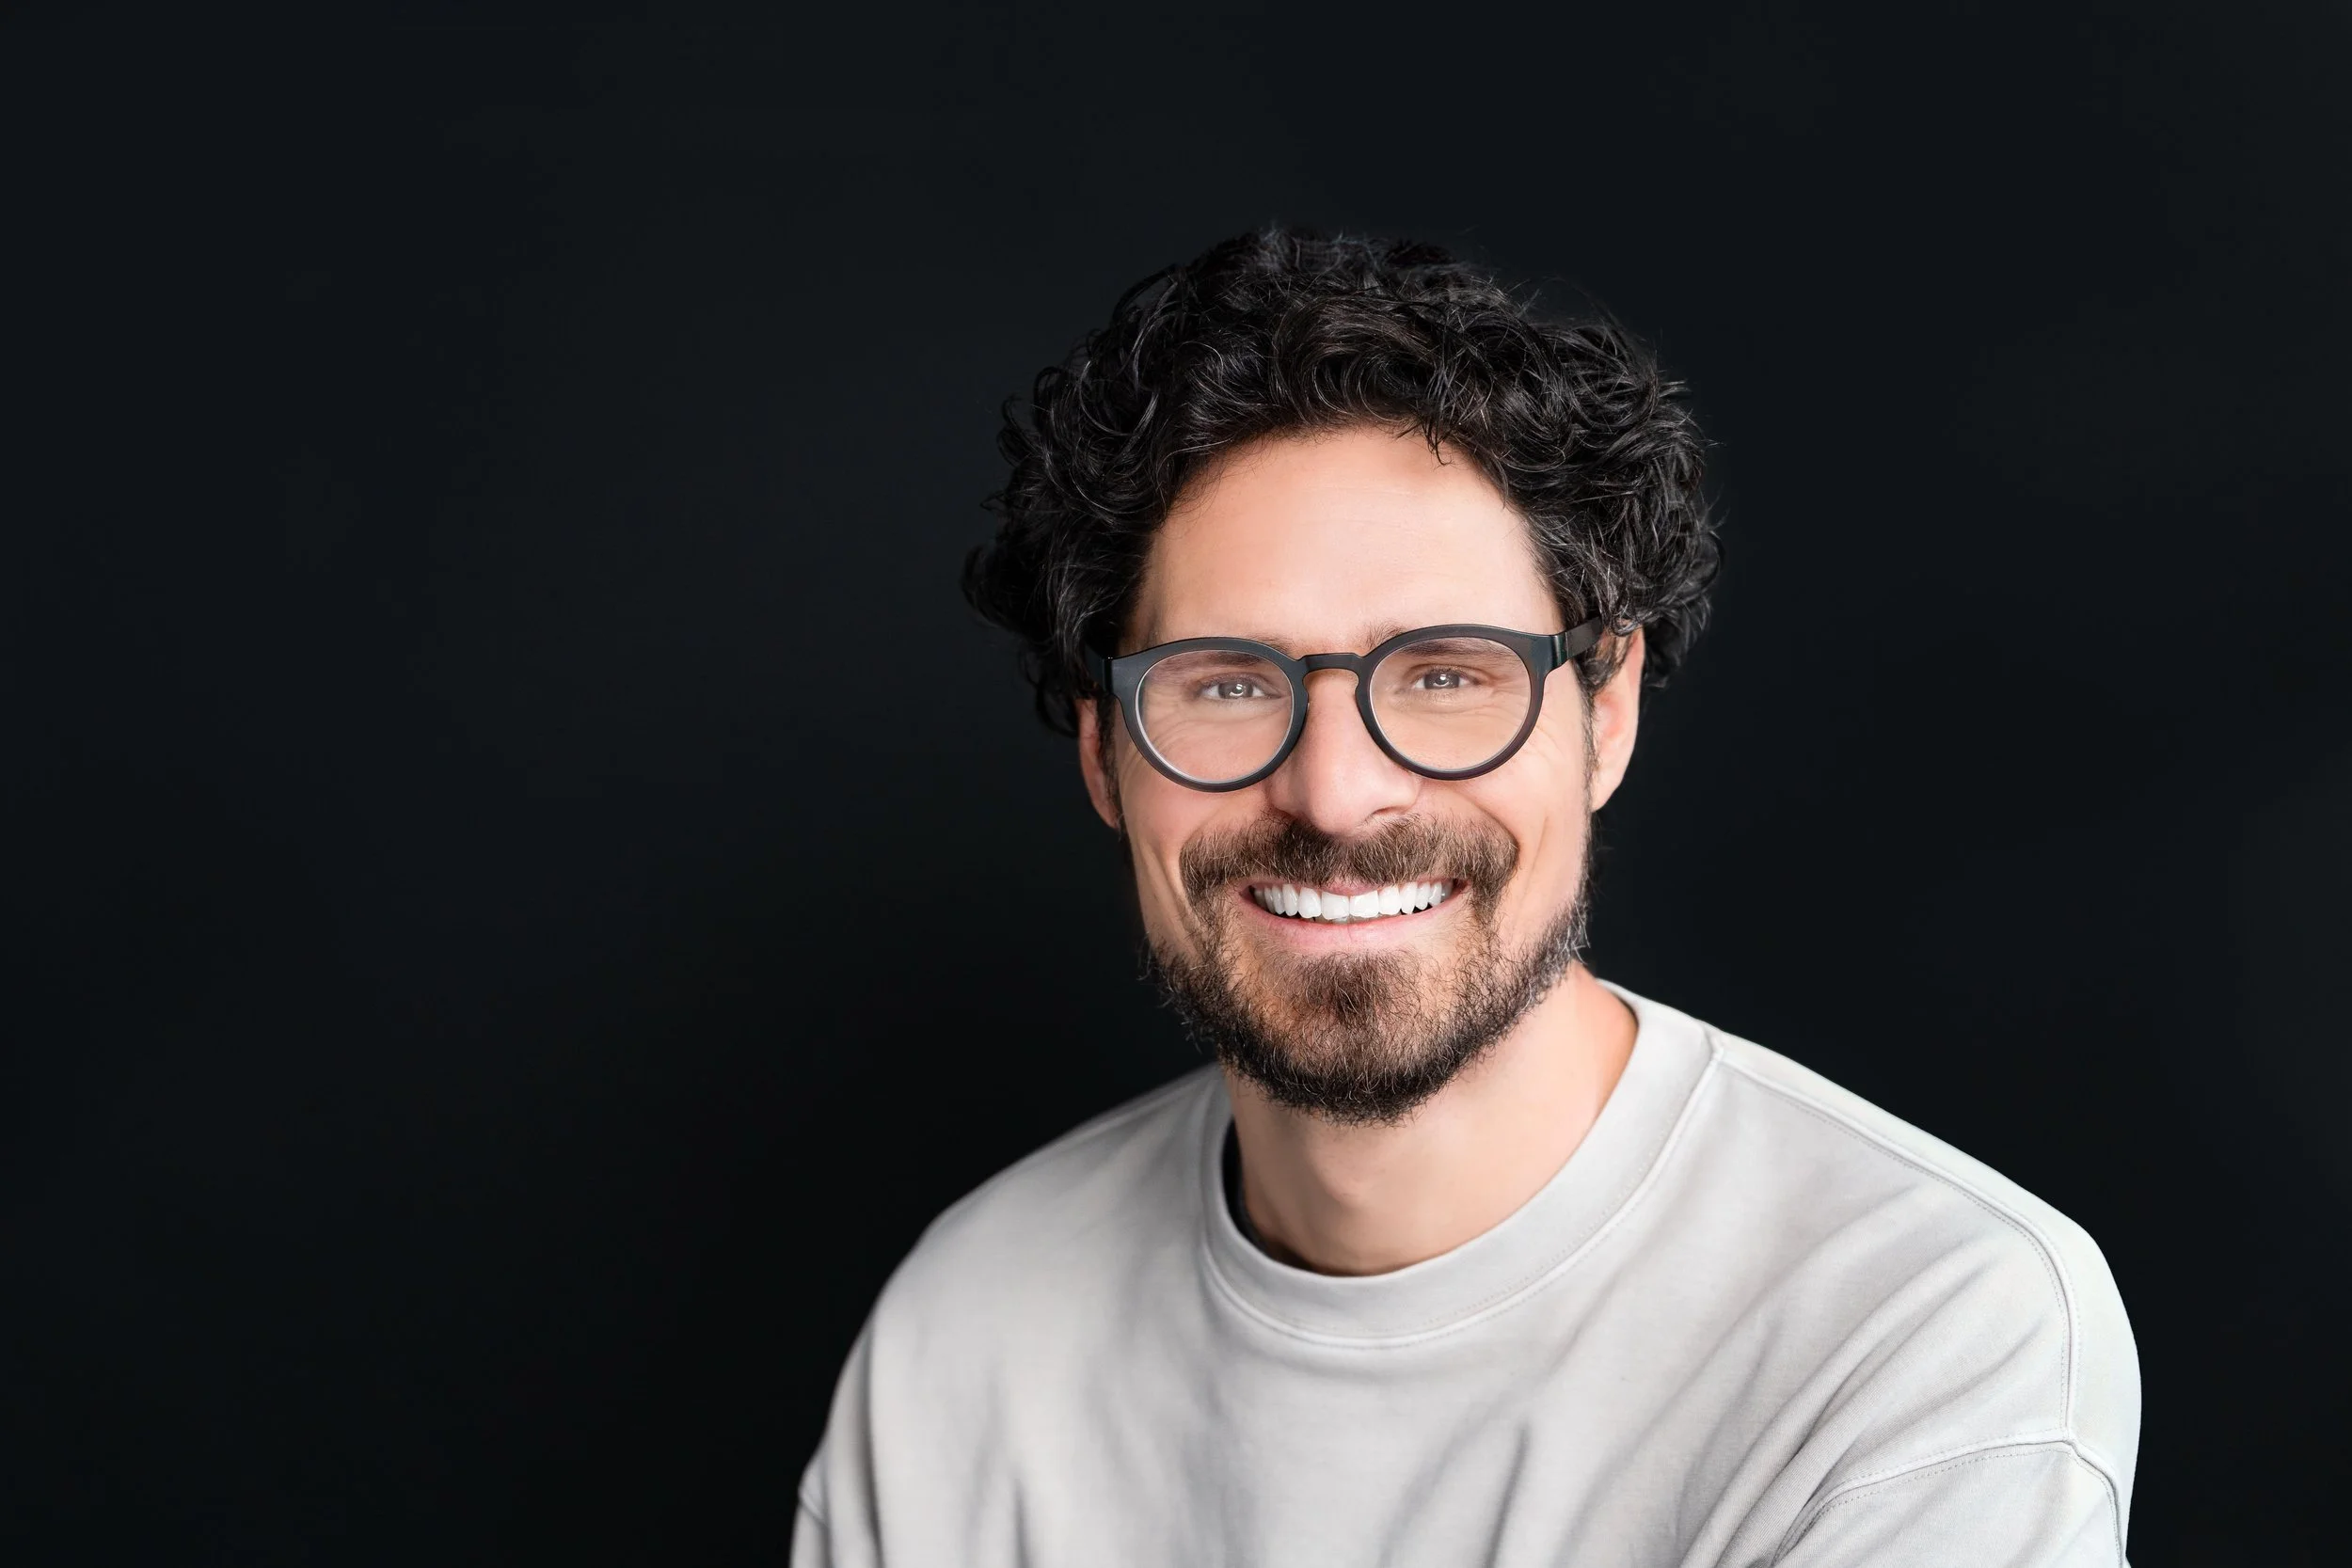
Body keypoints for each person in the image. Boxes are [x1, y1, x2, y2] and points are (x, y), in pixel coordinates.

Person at [791, 230, 2138, 1566]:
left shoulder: (1919, 1331)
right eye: (1227, 681)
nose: (1333, 792)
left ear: (1603, 711)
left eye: (1445, 674)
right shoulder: (964, 1329)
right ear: (1104, 752)